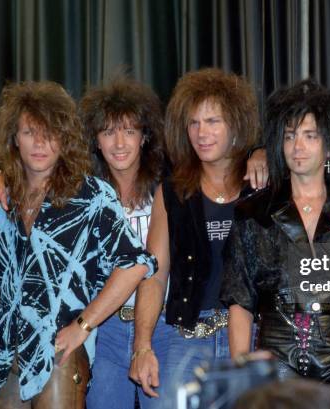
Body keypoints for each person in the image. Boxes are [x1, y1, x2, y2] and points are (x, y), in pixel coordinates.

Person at [0, 81, 156, 408]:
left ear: (64, 138)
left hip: (60, 352)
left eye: (49, 133)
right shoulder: (0, 198)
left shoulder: (92, 196)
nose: (39, 143)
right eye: (29, 132)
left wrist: (83, 325)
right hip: (5, 354)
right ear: (14, 138)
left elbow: (135, 263)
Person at [220, 79, 330, 408]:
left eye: (310, 136)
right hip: (275, 353)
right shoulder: (253, 213)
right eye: (290, 135)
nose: (298, 147)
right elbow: (240, 301)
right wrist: (242, 373)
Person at [130, 68, 261, 403]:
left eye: (213, 121)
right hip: (186, 338)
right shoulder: (172, 192)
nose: (202, 132)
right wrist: (142, 346)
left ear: (236, 125)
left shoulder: (261, 187)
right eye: (194, 123)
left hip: (253, 336)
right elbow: (155, 274)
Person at [77, 77, 177, 409]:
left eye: (129, 131)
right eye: (108, 132)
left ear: (145, 136)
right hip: (104, 330)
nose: (119, 143)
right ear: (95, 141)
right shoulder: (83, 194)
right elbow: (33, 166)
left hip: (163, 327)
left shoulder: (172, 187)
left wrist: (258, 154)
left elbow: (221, 163)